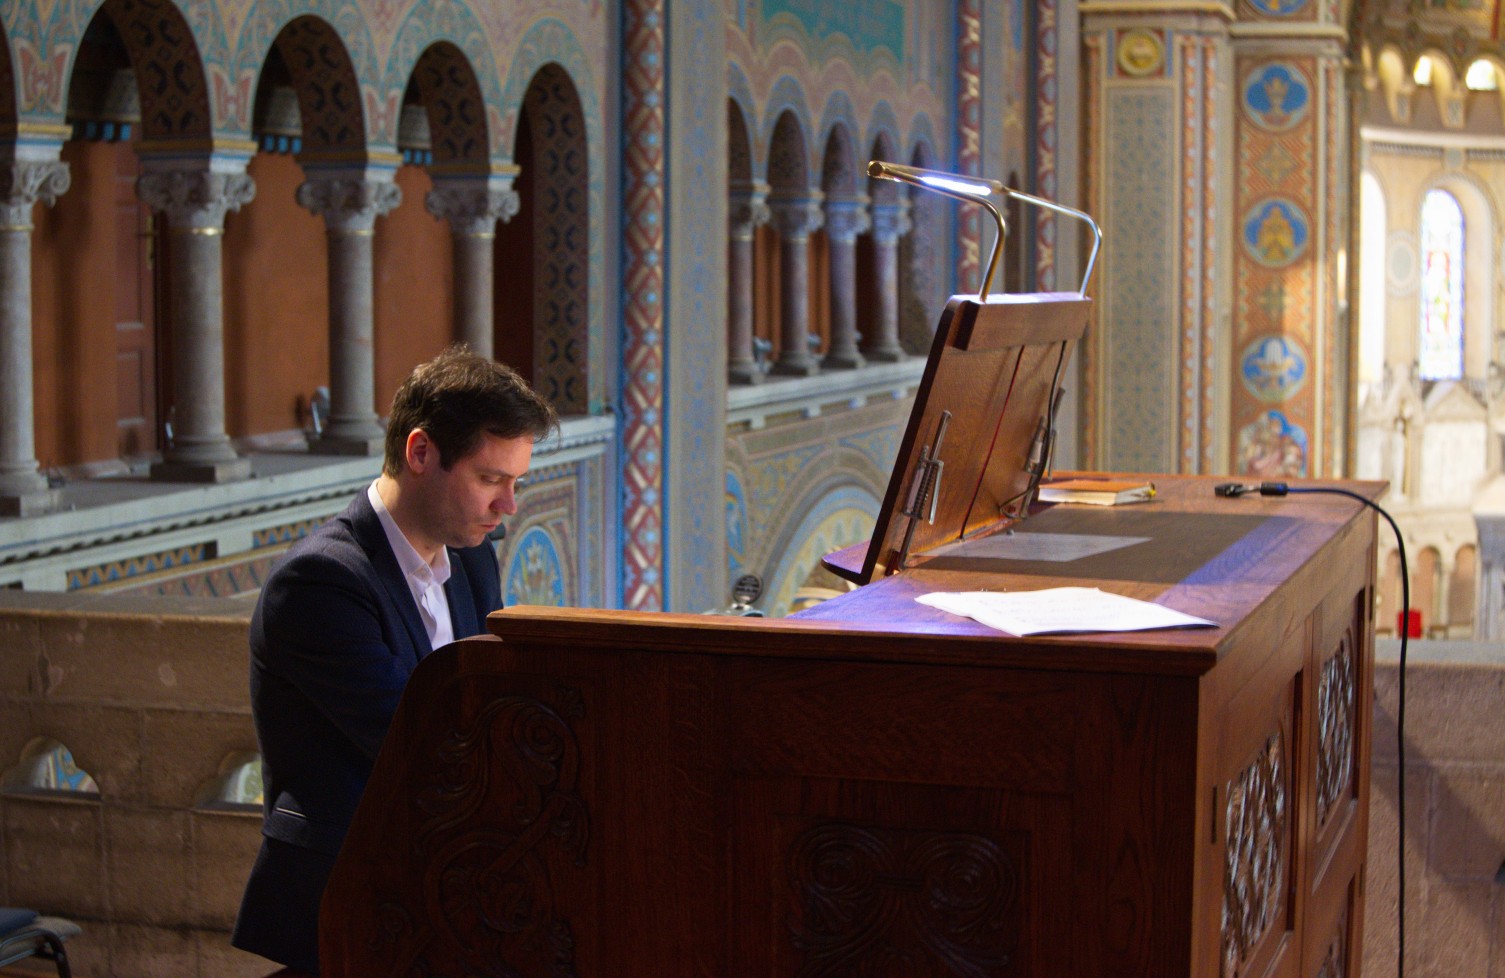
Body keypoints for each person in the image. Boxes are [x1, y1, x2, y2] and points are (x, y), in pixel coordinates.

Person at [231, 346, 557, 975]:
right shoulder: (322, 582)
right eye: (491, 479)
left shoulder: (472, 559)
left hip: (447, 881)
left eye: (516, 483)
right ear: (420, 453)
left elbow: (485, 702)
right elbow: (421, 742)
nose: (508, 506)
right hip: (353, 896)